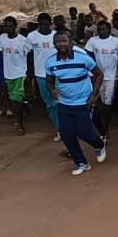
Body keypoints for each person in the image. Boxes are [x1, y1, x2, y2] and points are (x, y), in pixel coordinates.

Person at [44, 31, 106, 176]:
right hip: (64, 103)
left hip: (83, 102)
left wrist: (93, 95)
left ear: (71, 42)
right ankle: (81, 163)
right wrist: (52, 90)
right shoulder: (50, 62)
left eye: (64, 41)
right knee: (67, 134)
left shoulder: (83, 59)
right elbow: (49, 80)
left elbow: (99, 74)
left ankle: (99, 145)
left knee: (85, 134)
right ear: (54, 44)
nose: (61, 44)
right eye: (58, 42)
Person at [84, 20, 118, 142]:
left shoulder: (116, 42)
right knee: (99, 102)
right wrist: (91, 72)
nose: (101, 31)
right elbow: (88, 55)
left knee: (108, 103)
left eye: (104, 29)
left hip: (112, 77)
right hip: (98, 76)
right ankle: (103, 128)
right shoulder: (92, 41)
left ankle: (105, 128)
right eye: (99, 29)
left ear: (109, 30)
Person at [26, 13, 61, 141]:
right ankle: (58, 129)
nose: (44, 27)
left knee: (60, 101)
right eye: (41, 25)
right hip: (41, 75)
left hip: (58, 74)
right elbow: (29, 55)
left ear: (50, 24)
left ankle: (66, 128)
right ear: (38, 24)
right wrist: (29, 74)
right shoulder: (32, 37)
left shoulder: (56, 36)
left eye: (46, 24)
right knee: (49, 104)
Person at [0, 16, 30, 135]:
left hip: (20, 73)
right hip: (8, 74)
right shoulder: (2, 38)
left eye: (10, 25)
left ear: (15, 26)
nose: (7, 28)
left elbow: (29, 56)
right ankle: (22, 114)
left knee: (15, 100)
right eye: (6, 26)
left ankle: (20, 125)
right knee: (13, 99)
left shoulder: (22, 41)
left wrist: (29, 73)